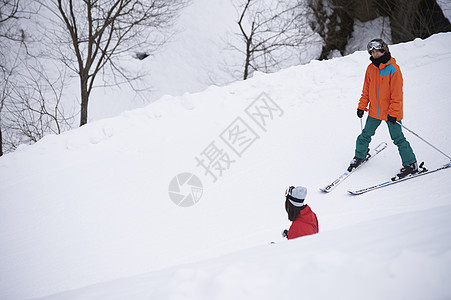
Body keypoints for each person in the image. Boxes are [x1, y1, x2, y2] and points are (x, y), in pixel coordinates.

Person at [348, 38, 419, 180]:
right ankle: (360, 156)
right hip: (374, 111)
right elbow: (366, 91)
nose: (374, 54)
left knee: (398, 139)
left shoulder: (393, 69)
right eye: (372, 52)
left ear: (383, 50)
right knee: (365, 134)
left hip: (391, 113)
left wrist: (393, 113)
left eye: (377, 51)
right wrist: (362, 106)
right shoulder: (370, 69)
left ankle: (411, 164)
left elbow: (397, 95)